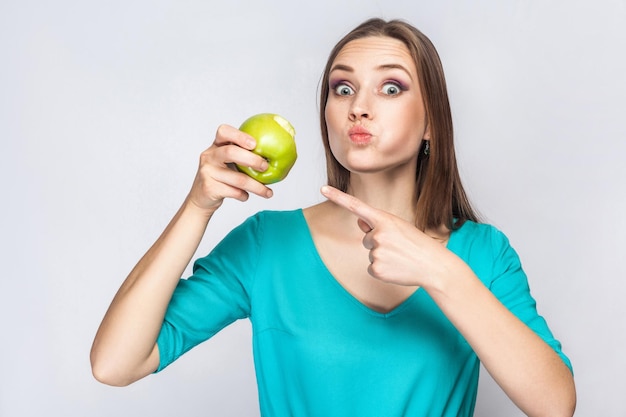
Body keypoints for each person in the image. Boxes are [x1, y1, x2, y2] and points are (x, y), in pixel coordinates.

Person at [91, 18, 576, 416]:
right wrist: (197, 206)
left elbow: (555, 405)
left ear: (431, 122)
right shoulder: (268, 245)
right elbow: (115, 363)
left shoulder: (482, 254)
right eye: (342, 88)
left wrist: (439, 270)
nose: (359, 108)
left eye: (390, 87)